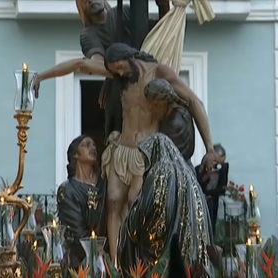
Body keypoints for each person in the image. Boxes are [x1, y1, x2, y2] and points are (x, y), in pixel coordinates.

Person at [34, 42, 216, 262]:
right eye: (115, 70)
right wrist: (40, 77)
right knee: (112, 202)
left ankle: (136, 261)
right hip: (122, 152)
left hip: (145, 154)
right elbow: (81, 64)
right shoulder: (119, 74)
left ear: (129, 58)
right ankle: (117, 265)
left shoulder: (159, 72)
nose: (118, 73)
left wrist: (210, 148)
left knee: (135, 203)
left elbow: (194, 101)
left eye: (120, 67)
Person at [117, 133, 214, 275]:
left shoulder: (160, 170)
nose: (146, 164)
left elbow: (147, 210)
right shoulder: (190, 176)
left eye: (146, 158)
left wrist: (130, 218)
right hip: (192, 261)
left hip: (165, 259)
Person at [56, 135, 107, 269]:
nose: (93, 148)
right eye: (86, 145)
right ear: (75, 155)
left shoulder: (105, 185)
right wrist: (97, 253)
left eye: (94, 145)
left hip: (109, 258)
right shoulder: (67, 190)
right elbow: (76, 232)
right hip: (81, 263)